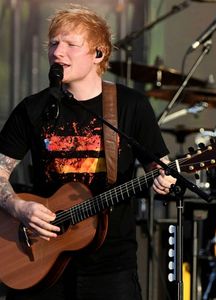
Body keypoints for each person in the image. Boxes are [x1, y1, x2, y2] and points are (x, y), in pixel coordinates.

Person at [0, 4, 176, 300]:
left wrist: (164, 180)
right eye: (54, 43)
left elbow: (160, 169)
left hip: (110, 268)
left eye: (71, 44)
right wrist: (19, 208)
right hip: (39, 259)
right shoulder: (33, 108)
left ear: (98, 54)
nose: (57, 52)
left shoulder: (129, 106)